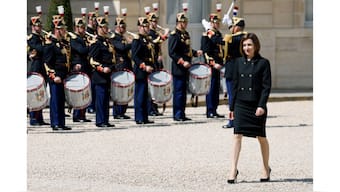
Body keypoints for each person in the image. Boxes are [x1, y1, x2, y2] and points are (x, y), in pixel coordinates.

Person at [227, 33, 272, 184]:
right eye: (244, 45)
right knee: (237, 135)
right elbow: (234, 86)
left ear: (256, 46)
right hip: (241, 104)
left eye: (249, 45)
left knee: (261, 137)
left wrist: (261, 105)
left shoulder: (263, 63)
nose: (247, 48)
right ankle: (233, 169)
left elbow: (266, 87)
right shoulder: (237, 62)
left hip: (256, 105)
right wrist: (231, 107)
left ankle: (265, 167)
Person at [168, 12, 203, 121]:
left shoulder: (185, 34)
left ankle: (182, 113)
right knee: (178, 92)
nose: (185, 24)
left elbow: (186, 50)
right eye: (183, 22)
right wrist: (182, 62)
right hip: (179, 67)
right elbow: (172, 52)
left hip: (186, 67)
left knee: (183, 92)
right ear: (178, 23)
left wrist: (195, 53)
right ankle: (177, 114)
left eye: (186, 22)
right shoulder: (174, 35)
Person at [43, 17, 71, 131]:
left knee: (61, 100)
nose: (64, 31)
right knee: (55, 100)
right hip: (56, 77)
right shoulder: (50, 45)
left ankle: (61, 123)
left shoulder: (61, 44)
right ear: (57, 30)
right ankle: (55, 123)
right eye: (62, 29)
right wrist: (53, 76)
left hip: (63, 76)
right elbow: (47, 63)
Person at [89, 16, 115, 127]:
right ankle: (100, 121)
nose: (106, 29)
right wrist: (102, 68)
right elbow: (92, 60)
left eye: (106, 27)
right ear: (99, 28)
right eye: (104, 27)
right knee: (100, 98)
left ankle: (105, 120)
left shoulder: (106, 41)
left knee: (106, 99)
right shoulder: (96, 42)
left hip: (107, 74)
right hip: (100, 75)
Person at [222, 16, 247, 128]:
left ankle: (232, 121)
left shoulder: (230, 38)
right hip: (244, 70)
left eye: (233, 26)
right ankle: (243, 119)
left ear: (236, 27)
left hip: (232, 71)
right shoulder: (247, 37)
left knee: (232, 97)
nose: (231, 28)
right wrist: (229, 25)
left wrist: (209, 31)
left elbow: (221, 45)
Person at [131, 17, 155, 124]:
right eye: (145, 26)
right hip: (141, 70)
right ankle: (139, 117)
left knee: (145, 95)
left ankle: (145, 117)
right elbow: (135, 56)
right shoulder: (137, 39)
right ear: (140, 27)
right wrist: (144, 66)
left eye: (148, 26)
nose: (148, 28)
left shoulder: (147, 38)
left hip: (147, 70)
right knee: (140, 95)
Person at [201, 13, 225, 118]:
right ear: (211, 23)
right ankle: (210, 110)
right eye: (215, 22)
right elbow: (206, 52)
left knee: (216, 89)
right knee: (211, 88)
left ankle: (214, 109)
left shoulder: (217, 34)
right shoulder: (207, 35)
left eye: (218, 22)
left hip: (218, 65)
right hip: (212, 66)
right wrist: (213, 64)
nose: (217, 24)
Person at [27, 16, 49, 126]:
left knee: (41, 93)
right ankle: (33, 118)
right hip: (36, 67)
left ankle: (39, 117)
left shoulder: (41, 37)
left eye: (40, 25)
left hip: (42, 67)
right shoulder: (32, 38)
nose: (40, 27)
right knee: (35, 93)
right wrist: (47, 44)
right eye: (37, 25)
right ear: (32, 26)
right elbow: (40, 49)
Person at [146, 12, 169, 116]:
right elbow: (155, 42)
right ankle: (150, 109)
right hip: (151, 60)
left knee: (156, 86)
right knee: (151, 86)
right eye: (153, 21)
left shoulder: (155, 32)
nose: (155, 23)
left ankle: (154, 108)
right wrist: (165, 35)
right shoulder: (149, 33)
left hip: (157, 61)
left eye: (156, 21)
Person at [69, 17, 92, 123]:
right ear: (76, 28)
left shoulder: (84, 38)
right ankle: (77, 115)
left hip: (86, 66)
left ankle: (82, 114)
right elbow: (81, 50)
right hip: (79, 67)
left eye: (84, 27)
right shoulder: (73, 38)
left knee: (85, 91)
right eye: (81, 27)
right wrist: (91, 45)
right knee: (79, 92)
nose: (84, 29)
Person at [110, 17, 132, 120]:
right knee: (119, 90)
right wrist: (132, 43)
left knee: (126, 89)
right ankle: (117, 112)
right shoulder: (114, 37)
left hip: (126, 65)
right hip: (119, 65)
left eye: (124, 26)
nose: (124, 28)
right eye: (122, 27)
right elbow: (121, 48)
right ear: (117, 27)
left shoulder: (123, 37)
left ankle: (123, 111)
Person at [86, 11, 97, 114]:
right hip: (89, 62)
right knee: (90, 85)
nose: (95, 22)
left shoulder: (95, 31)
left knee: (95, 85)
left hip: (96, 61)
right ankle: (90, 105)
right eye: (93, 20)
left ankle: (94, 104)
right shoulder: (87, 32)